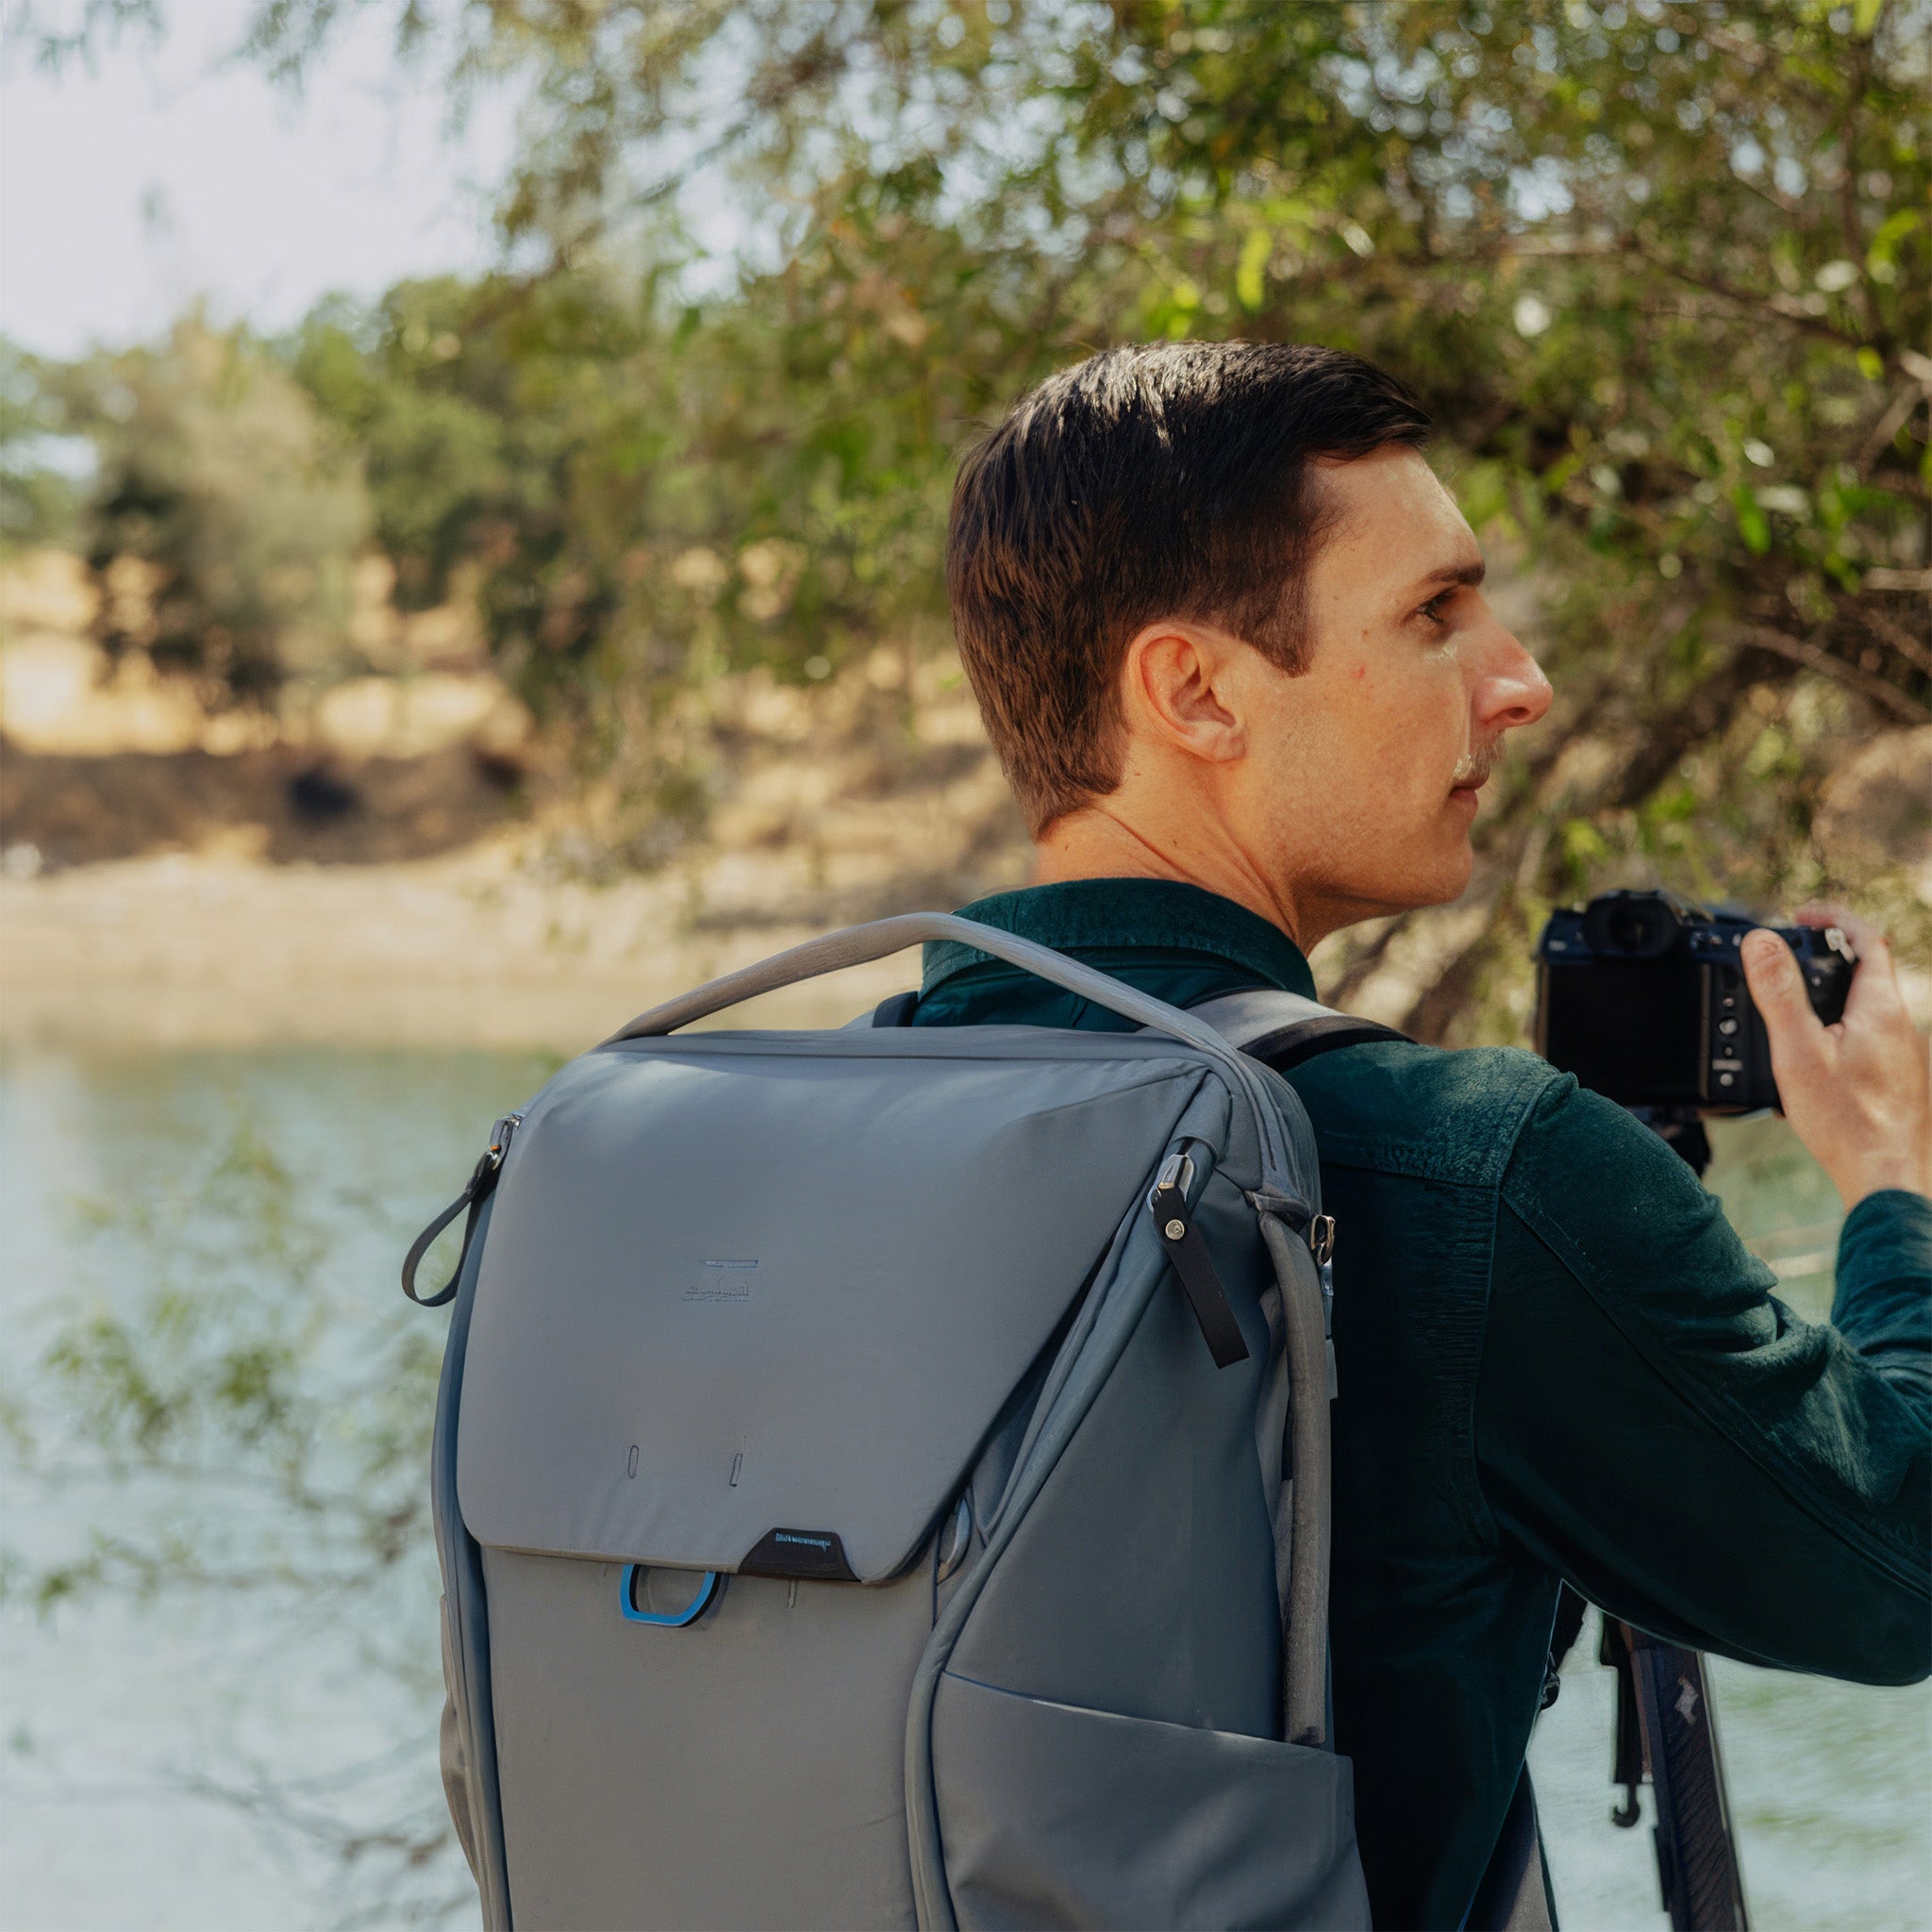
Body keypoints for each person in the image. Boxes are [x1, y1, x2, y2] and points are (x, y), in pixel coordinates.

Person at [909, 341, 1931, 1929]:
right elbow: (1898, 1567)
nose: (1520, 682)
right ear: (1195, 693)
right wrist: (1897, 1187)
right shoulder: (1469, 1171)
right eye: (1435, 616)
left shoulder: (769, 1131)